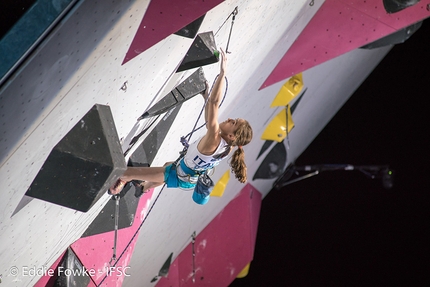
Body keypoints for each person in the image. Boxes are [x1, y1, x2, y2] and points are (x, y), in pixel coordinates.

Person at [109, 49, 253, 204]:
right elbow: (209, 117)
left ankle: (122, 181)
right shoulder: (229, 147)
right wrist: (205, 96)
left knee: (126, 173)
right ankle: (143, 188)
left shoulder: (215, 139)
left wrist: (222, 73)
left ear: (231, 136)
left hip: (180, 174)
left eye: (234, 123)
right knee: (167, 166)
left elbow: (214, 104)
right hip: (188, 178)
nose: (230, 119)